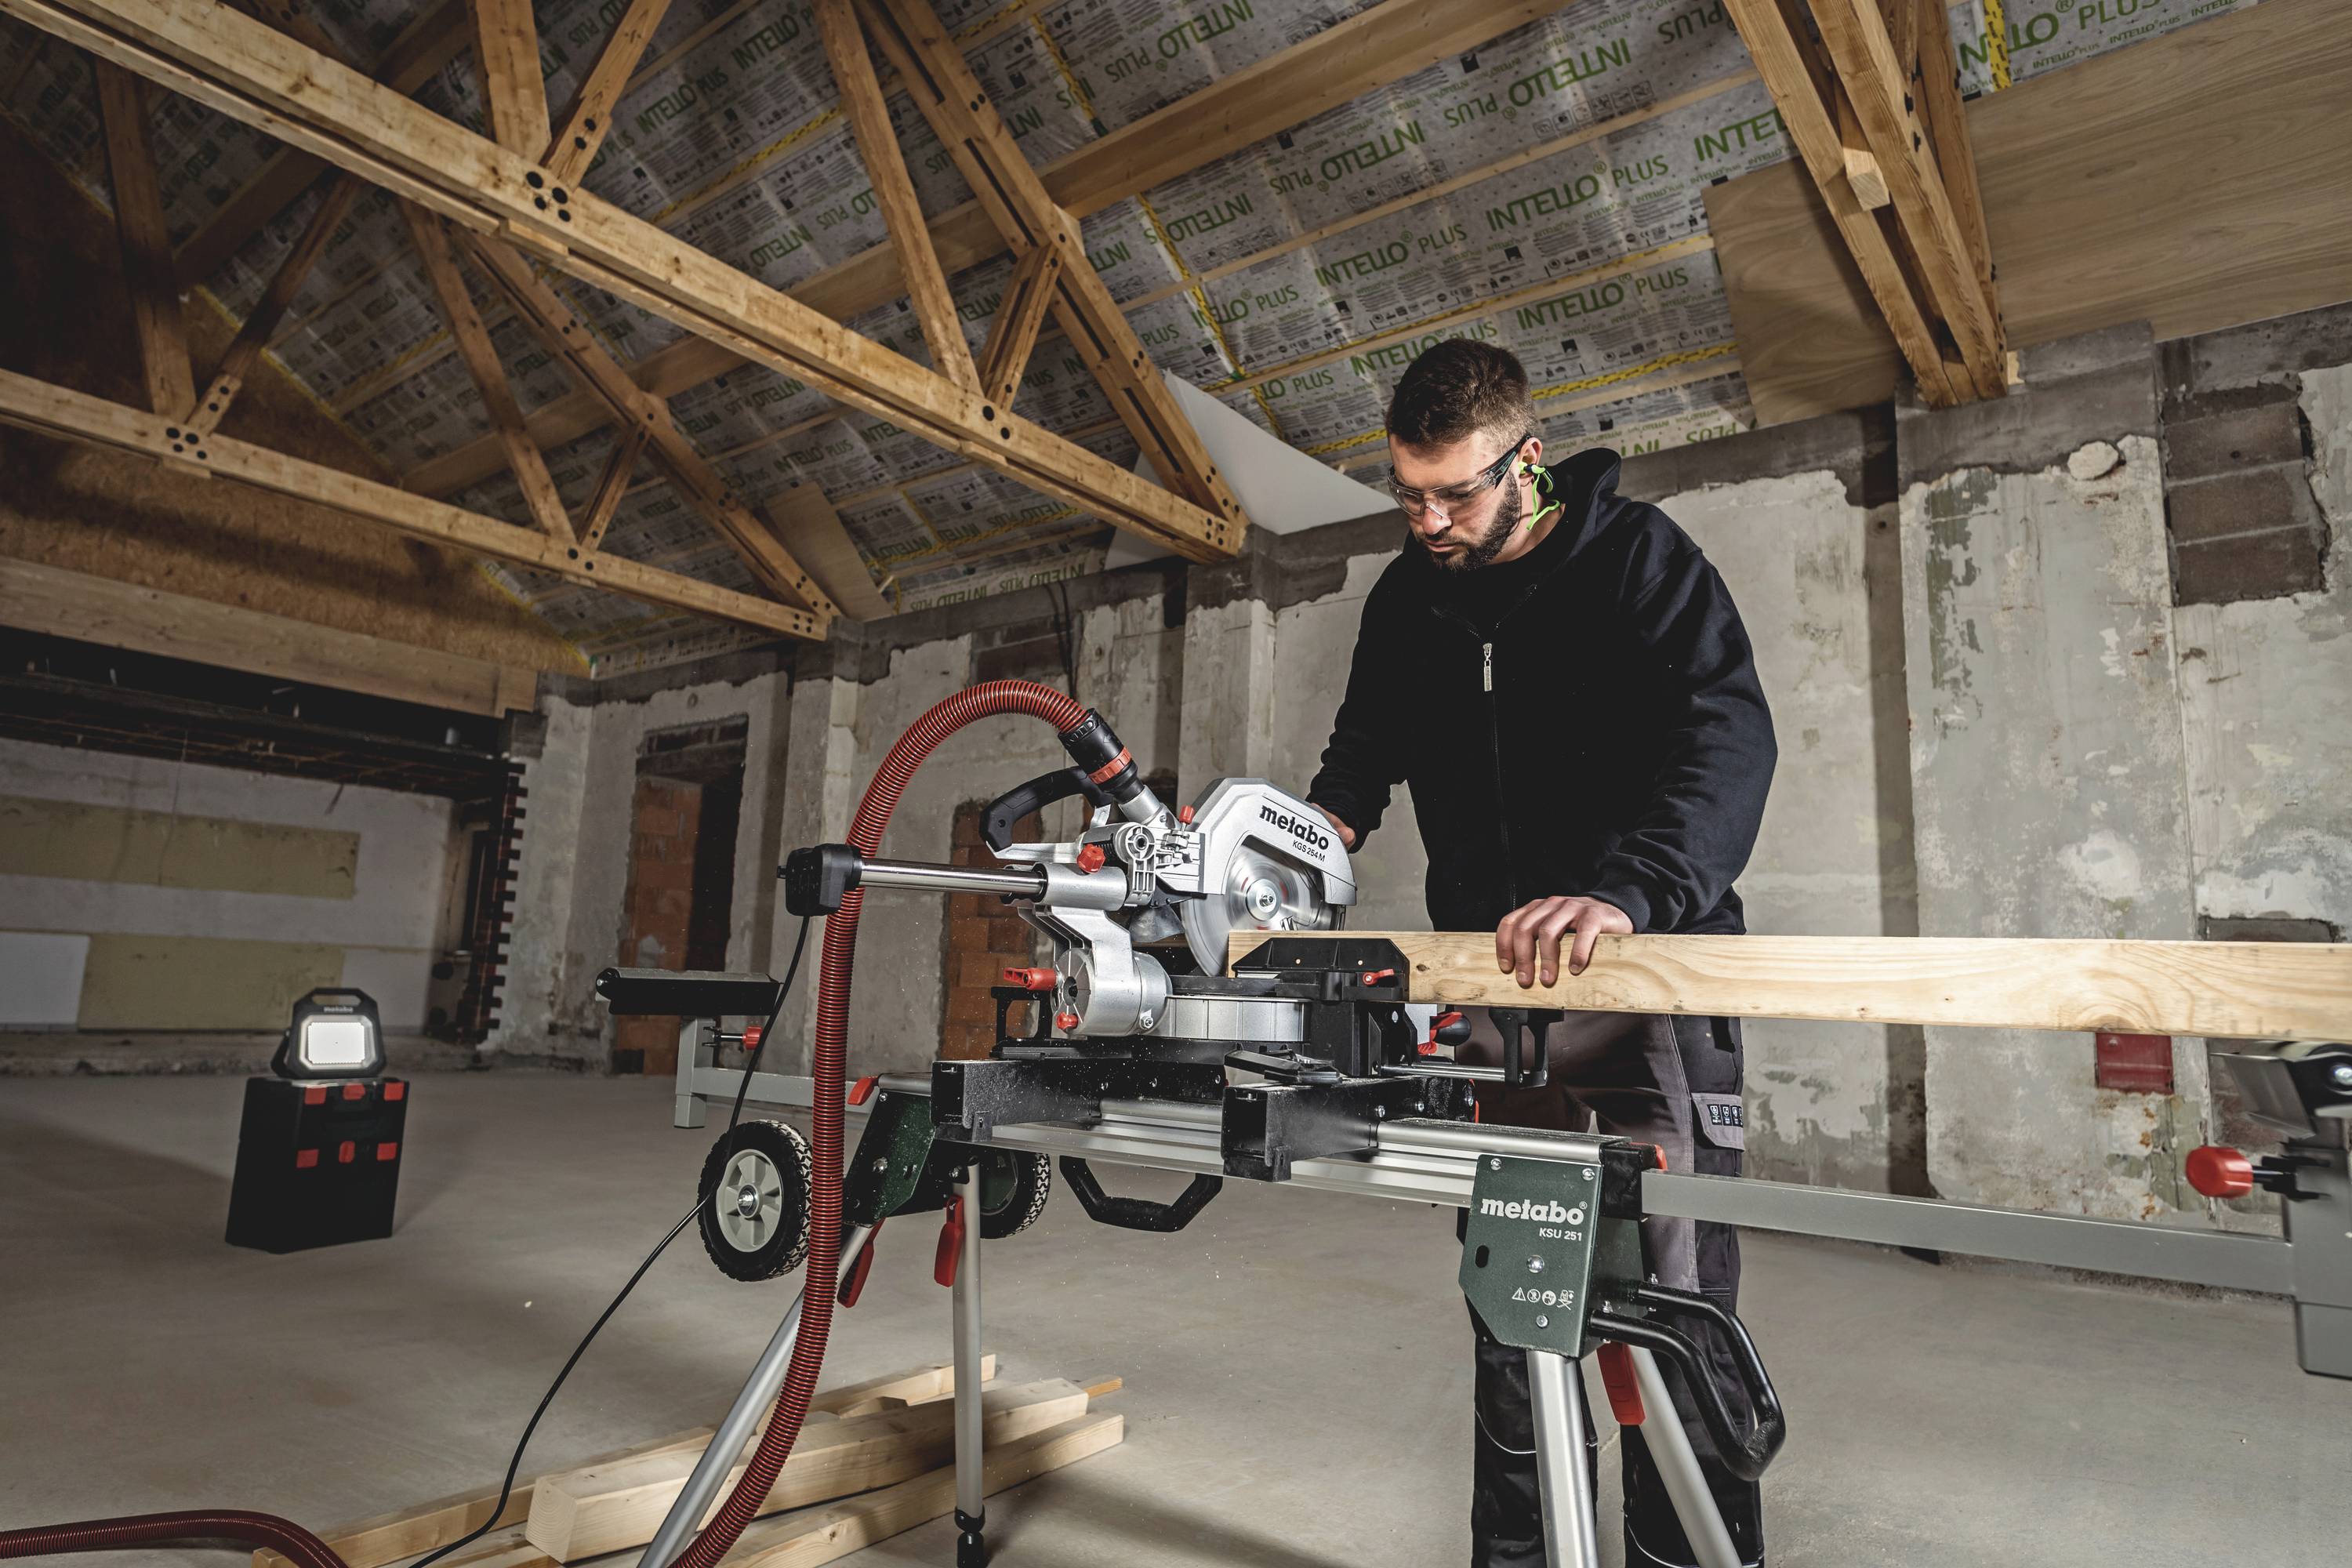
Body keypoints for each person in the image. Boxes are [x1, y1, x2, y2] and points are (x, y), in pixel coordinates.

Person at [1306, 339, 1777, 1567]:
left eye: (1455, 492)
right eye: (1408, 493)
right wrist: (1296, 847)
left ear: (1527, 459)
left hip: (1647, 985)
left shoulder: (1638, 561)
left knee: (1670, 1307)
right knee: (1515, 1311)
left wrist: (1632, 894)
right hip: (1494, 998)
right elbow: (1361, 758)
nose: (1429, 519)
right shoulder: (1409, 597)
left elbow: (1727, 739)